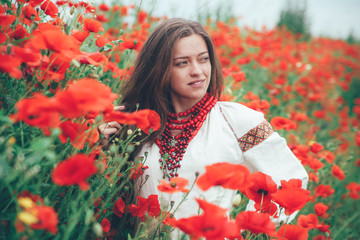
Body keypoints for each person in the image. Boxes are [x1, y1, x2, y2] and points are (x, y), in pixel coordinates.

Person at [99, 17, 308, 232]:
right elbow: (110, 201)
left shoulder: (236, 121)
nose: (197, 71)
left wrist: (248, 230)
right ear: (158, 70)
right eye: (182, 63)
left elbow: (292, 180)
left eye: (203, 59)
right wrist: (104, 151)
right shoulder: (136, 122)